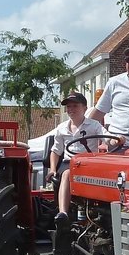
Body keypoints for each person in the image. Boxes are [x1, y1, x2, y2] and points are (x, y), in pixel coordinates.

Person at [47, 92, 104, 222]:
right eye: (68, 106)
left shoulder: (94, 125)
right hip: (69, 163)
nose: (71, 109)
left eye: (75, 106)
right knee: (67, 173)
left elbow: (107, 138)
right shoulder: (61, 128)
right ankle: (63, 214)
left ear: (84, 108)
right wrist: (52, 169)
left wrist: (116, 140)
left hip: (89, 163)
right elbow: (55, 151)